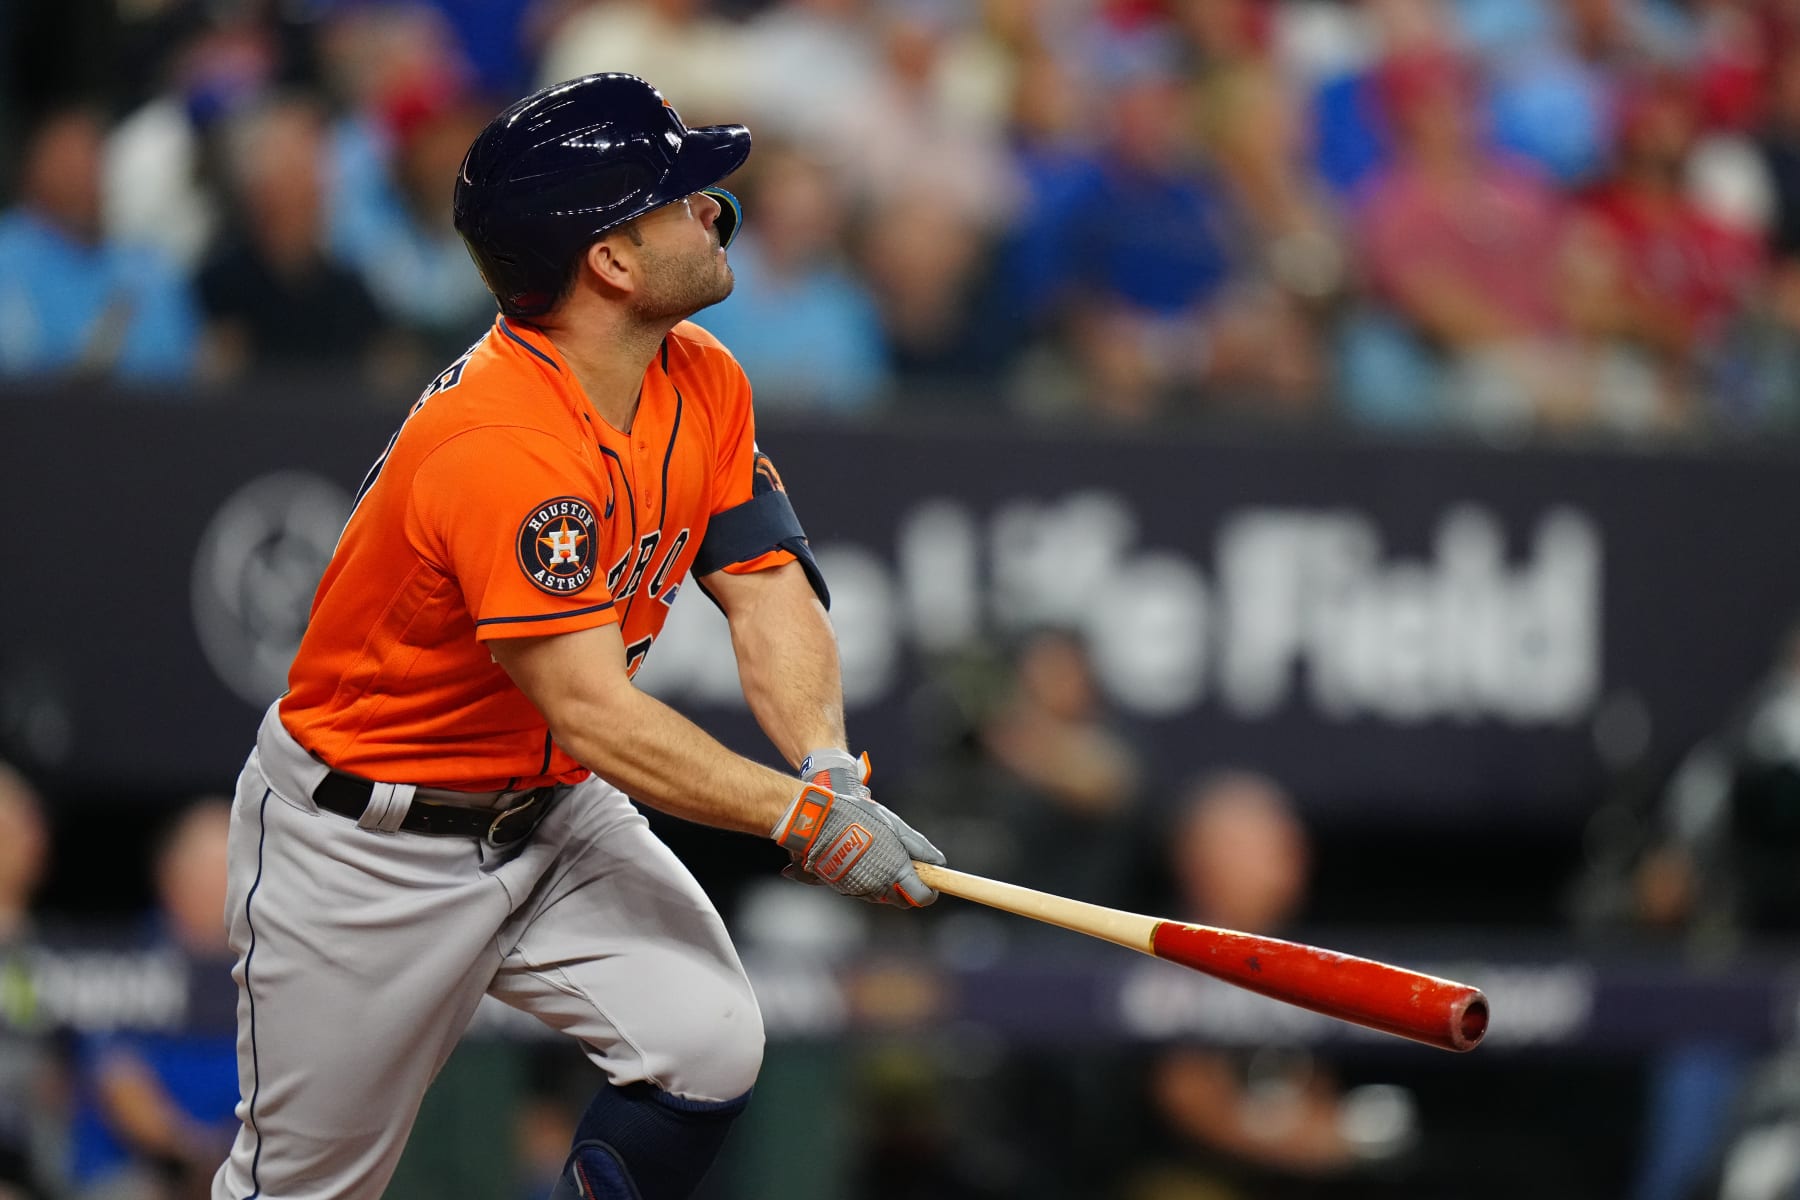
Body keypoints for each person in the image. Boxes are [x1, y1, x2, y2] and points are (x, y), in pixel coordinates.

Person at [206, 72, 944, 1200]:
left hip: (551, 814)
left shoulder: (699, 376)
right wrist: (797, 819)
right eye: (680, 195)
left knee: (705, 1042)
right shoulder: (500, 442)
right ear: (610, 260)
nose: (713, 206)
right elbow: (594, 709)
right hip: (368, 846)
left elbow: (765, 585)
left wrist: (829, 769)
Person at [70, 800, 238, 1200]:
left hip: (248, 1168)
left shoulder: (270, 968)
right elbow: (121, 1085)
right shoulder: (125, 960)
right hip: (137, 1173)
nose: (220, 884)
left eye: (230, 867)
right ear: (169, 874)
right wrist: (197, 1154)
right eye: (206, 869)